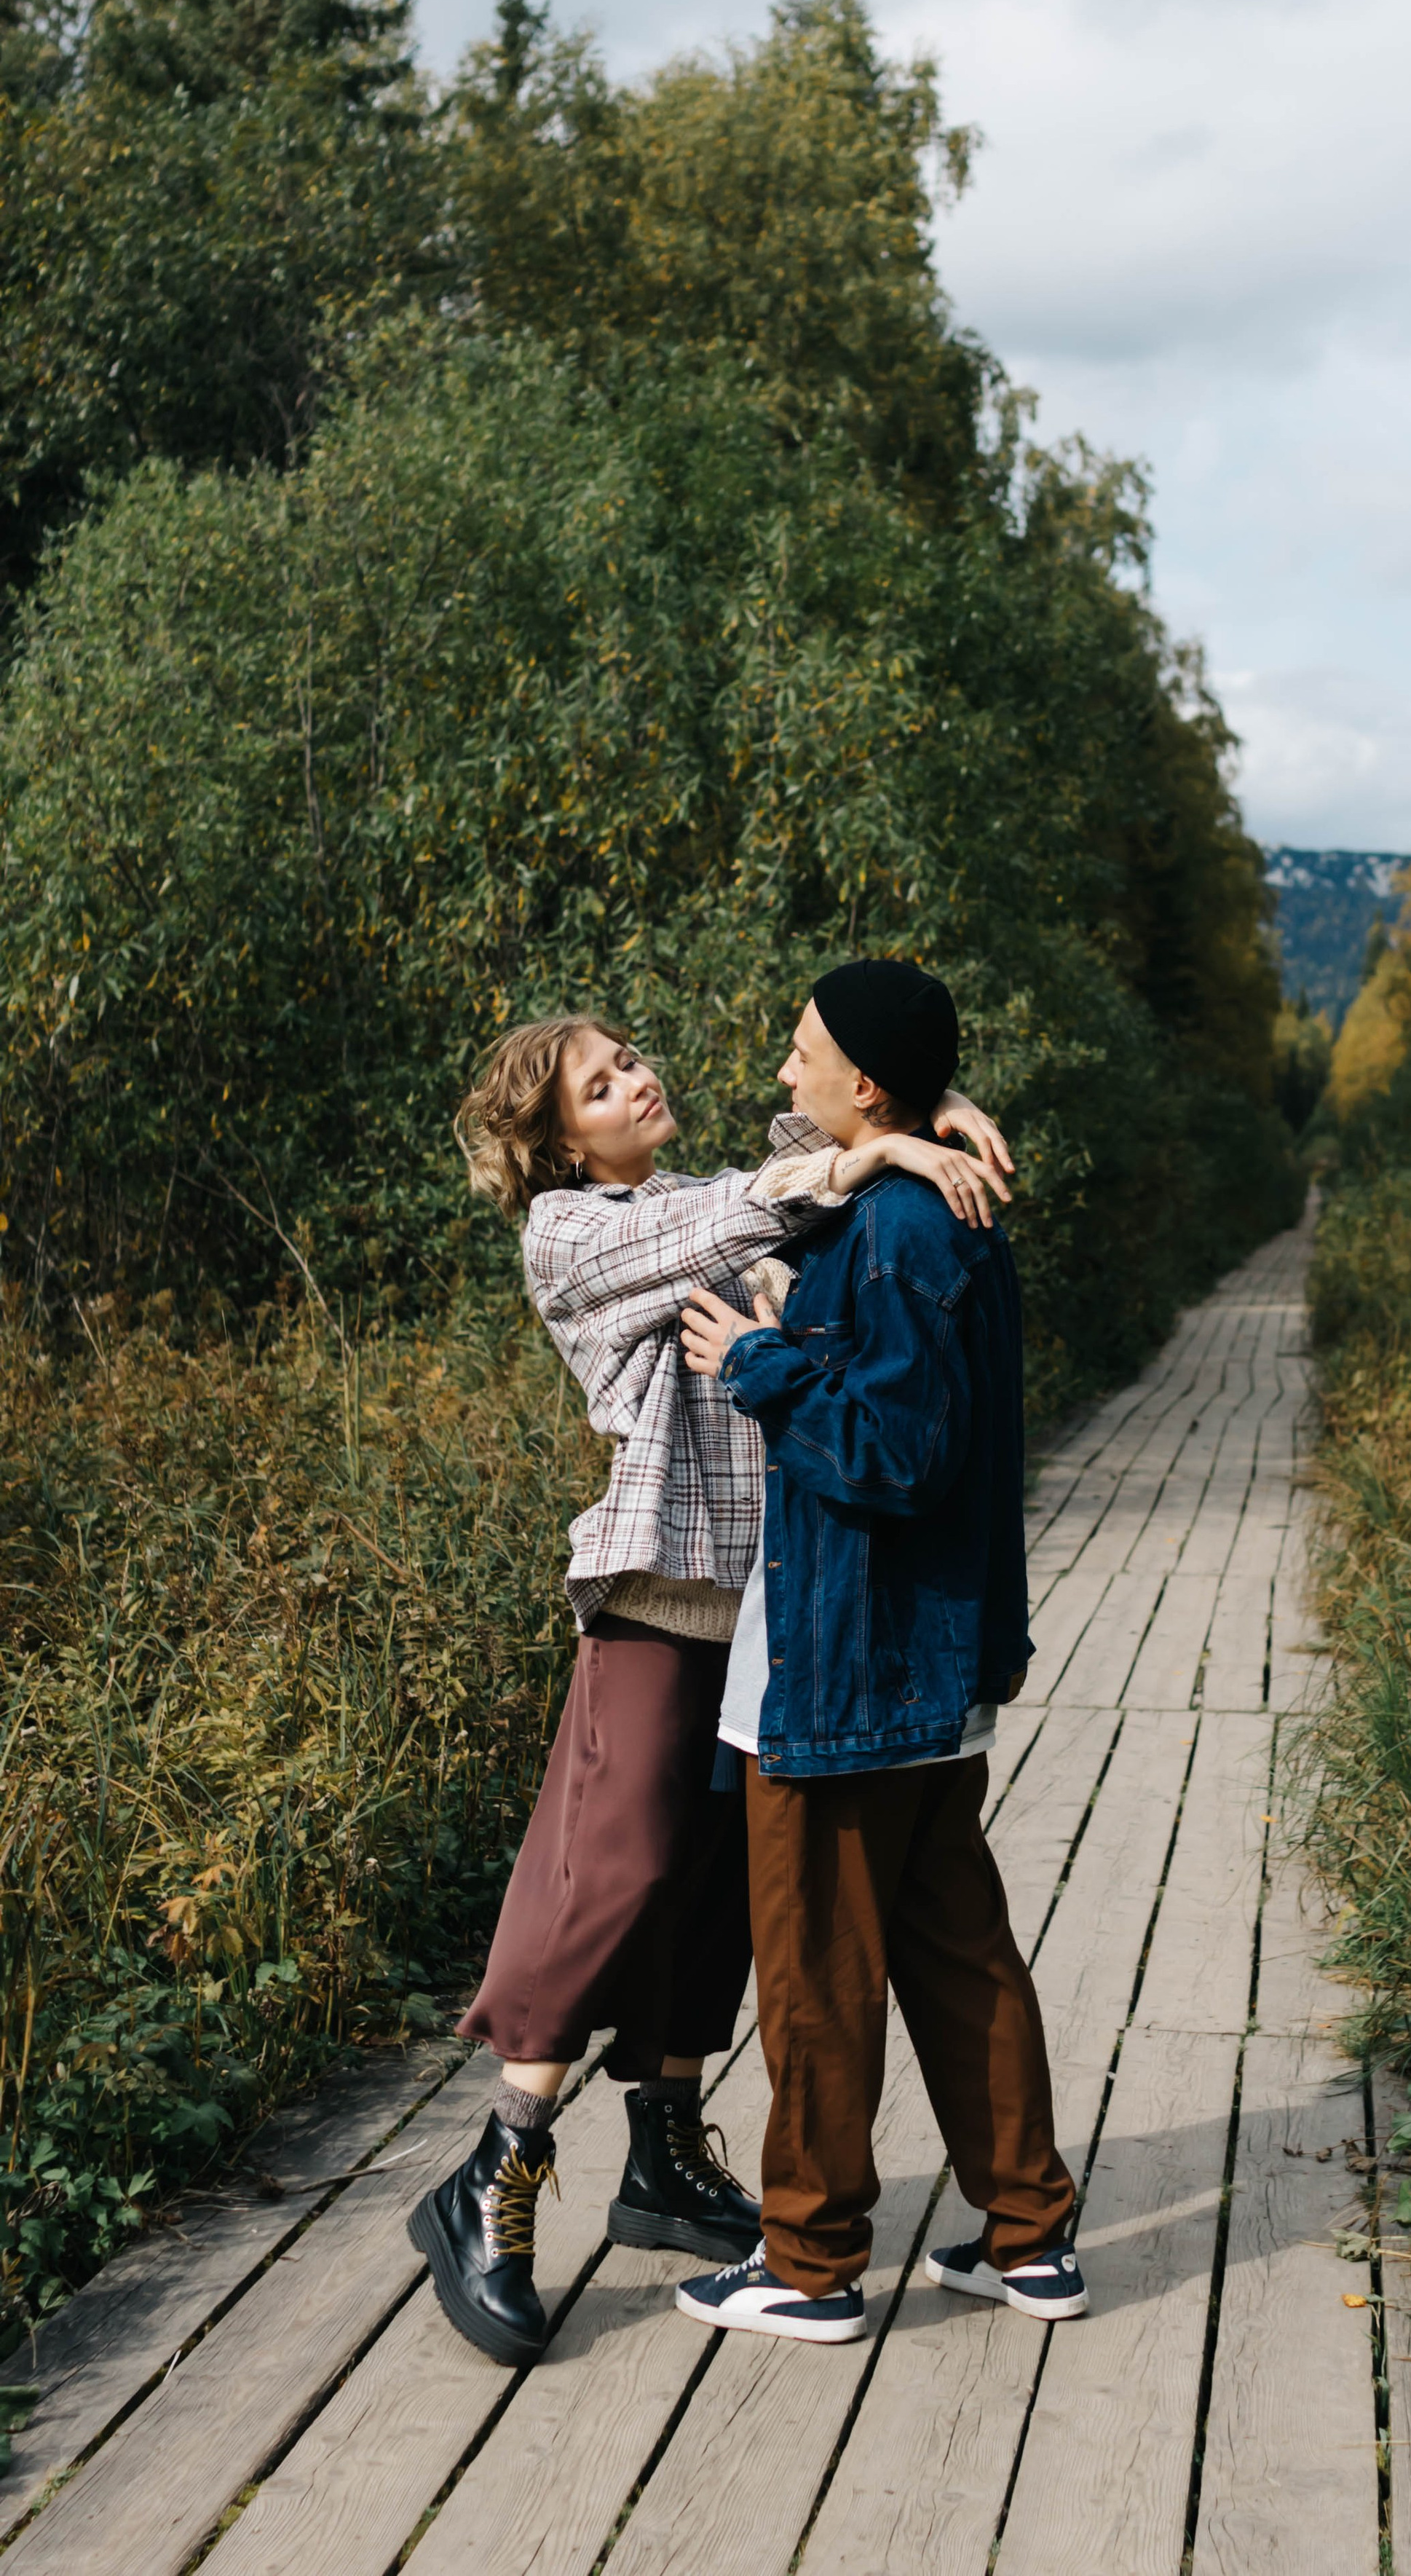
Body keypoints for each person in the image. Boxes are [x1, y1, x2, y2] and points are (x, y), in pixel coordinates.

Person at [407, 1010, 1012, 2368]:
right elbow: (769, 1195)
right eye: (601, 1084)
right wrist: (880, 1150)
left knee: (720, 1880)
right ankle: (493, 2172)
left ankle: (665, 2155)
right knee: (611, 1867)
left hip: (763, 1608)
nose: (637, 1080)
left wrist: (928, 1108)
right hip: (655, 1600)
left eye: (630, 1058)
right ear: (560, 1141)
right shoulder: (572, 1236)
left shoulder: (694, 1195)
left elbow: (817, 1143)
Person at [673, 960, 1087, 2345]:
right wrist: (924, 1116)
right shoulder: (927, 1202)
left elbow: (893, 1454)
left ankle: (808, 2264)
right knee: (960, 1955)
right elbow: (808, 1174)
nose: (782, 1074)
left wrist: (756, 1361)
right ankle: (1029, 2239)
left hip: (848, 1673)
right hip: (922, 1673)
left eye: (803, 1055)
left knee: (815, 1977)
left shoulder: (903, 1230)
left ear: (864, 1080)